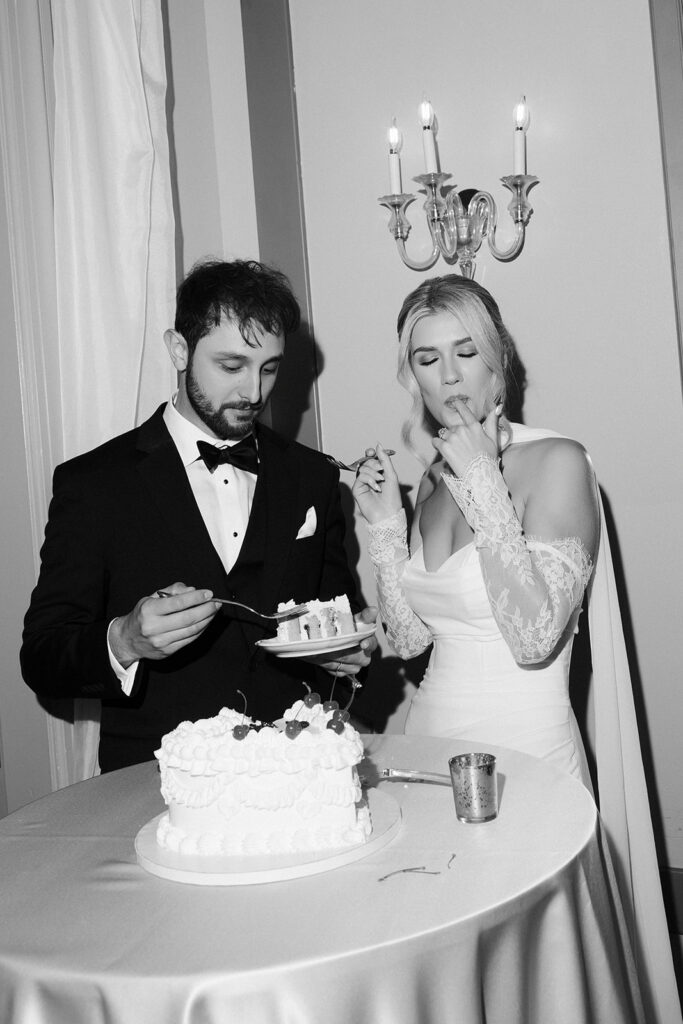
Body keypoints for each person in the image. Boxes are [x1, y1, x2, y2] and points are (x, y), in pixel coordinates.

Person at [352, 274, 680, 1024]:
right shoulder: (431, 482)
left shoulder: (558, 461)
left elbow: (533, 638)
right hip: (433, 750)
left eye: (465, 352)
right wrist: (382, 528)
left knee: (529, 977)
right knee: (448, 968)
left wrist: (480, 479)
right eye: (426, 359)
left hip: (524, 754)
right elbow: (408, 640)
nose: (448, 376)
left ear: (499, 360)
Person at [21, 258, 377, 774]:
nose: (254, 393)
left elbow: (328, 623)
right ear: (179, 349)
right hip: (153, 784)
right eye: (231, 366)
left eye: (270, 368)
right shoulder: (95, 484)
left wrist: (341, 655)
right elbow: (43, 657)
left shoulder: (311, 477)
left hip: (291, 773)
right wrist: (124, 640)